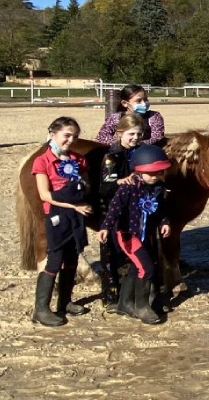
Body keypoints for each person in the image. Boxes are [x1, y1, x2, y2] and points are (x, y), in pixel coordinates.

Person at [97, 144, 172, 325]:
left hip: (147, 235)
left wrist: (165, 222)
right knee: (146, 268)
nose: (155, 176)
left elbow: (160, 210)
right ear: (138, 171)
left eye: (159, 172)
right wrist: (106, 227)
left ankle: (124, 303)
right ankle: (142, 306)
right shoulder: (128, 188)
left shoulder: (158, 188)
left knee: (136, 267)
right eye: (151, 173)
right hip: (129, 235)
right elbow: (114, 209)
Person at [30, 117, 92, 326]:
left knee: (73, 258)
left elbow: (87, 185)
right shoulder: (42, 161)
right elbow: (45, 195)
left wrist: (83, 186)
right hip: (57, 215)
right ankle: (41, 309)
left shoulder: (78, 159)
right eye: (66, 135)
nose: (70, 140)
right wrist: (74, 205)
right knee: (55, 261)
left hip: (76, 215)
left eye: (74, 136)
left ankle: (65, 302)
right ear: (52, 134)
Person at [97, 113, 144, 312]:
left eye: (139, 134)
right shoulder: (112, 155)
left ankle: (130, 292)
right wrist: (119, 182)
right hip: (112, 210)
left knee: (131, 250)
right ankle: (109, 295)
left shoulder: (142, 152)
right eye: (131, 134)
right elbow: (104, 186)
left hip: (134, 209)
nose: (135, 138)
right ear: (120, 133)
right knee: (111, 253)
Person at [96, 84, 165, 145]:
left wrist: (136, 144)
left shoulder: (154, 116)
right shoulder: (115, 117)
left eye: (145, 99)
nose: (144, 103)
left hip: (146, 153)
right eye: (138, 101)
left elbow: (157, 138)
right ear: (125, 103)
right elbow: (102, 137)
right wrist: (123, 144)